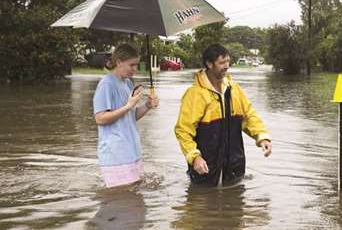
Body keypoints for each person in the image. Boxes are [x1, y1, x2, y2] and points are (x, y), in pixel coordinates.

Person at [175, 43, 272, 187]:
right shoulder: (195, 94)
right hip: (205, 167)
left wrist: (262, 137)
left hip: (234, 165)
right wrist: (195, 158)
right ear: (209, 64)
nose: (226, 66)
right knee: (201, 204)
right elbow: (183, 130)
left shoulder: (234, 89)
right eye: (221, 63)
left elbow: (248, 115)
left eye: (228, 61)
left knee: (236, 203)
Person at [93, 43, 159, 188]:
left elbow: (130, 117)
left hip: (132, 151)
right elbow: (100, 118)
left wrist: (147, 106)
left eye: (137, 65)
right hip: (116, 154)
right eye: (131, 65)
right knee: (121, 202)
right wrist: (128, 105)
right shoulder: (106, 84)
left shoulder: (128, 83)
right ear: (118, 62)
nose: (135, 69)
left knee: (135, 203)